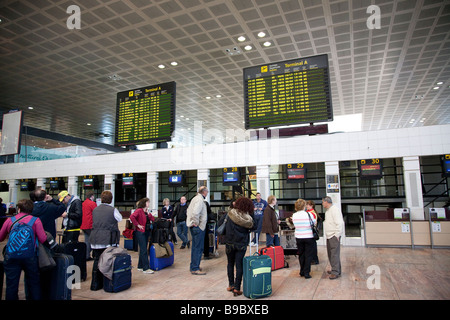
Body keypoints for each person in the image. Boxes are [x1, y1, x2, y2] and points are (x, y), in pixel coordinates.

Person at [0, 199, 47, 300]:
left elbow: (0, 237)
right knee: (33, 283)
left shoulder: (10, 220)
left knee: (11, 285)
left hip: (12, 256)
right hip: (30, 256)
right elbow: (43, 239)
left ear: (19, 208)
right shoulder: (35, 220)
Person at [89, 190, 122, 290]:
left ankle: (95, 285)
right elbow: (119, 218)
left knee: (97, 261)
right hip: (108, 239)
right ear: (111, 199)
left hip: (95, 238)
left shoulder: (95, 209)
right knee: (107, 262)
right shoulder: (113, 210)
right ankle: (106, 284)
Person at [222, 197, 255, 296]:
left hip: (229, 243)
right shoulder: (248, 217)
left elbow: (220, 224)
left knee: (230, 264)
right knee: (239, 265)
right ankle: (237, 288)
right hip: (241, 244)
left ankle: (231, 285)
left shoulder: (229, 214)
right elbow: (255, 226)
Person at [186, 186, 209, 275]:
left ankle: (193, 266)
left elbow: (188, 211)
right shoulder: (199, 200)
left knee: (195, 247)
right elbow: (195, 213)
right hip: (198, 227)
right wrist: (196, 223)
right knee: (198, 248)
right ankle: (195, 268)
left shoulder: (194, 199)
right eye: (207, 191)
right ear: (204, 192)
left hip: (194, 226)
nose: (207, 193)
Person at [292, 199, 316, 279]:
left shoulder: (294, 215)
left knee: (301, 254)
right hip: (308, 236)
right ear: (304, 206)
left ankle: (301, 271)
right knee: (308, 255)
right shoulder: (309, 214)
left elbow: (294, 225)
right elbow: (314, 222)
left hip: (299, 236)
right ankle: (306, 273)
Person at [130, 197, 154, 274]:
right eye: (147, 202)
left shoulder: (146, 211)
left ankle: (140, 266)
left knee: (143, 249)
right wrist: (138, 225)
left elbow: (152, 219)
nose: (148, 204)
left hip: (146, 231)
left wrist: (150, 214)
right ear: (144, 203)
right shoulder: (139, 211)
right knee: (143, 249)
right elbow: (132, 217)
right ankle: (146, 268)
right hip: (140, 232)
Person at [322, 196, 344, 280]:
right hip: (329, 235)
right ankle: (336, 270)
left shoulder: (334, 210)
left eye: (323, 202)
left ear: (327, 202)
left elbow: (340, 223)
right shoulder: (328, 211)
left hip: (333, 236)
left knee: (334, 254)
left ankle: (335, 272)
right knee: (331, 254)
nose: (322, 203)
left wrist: (337, 235)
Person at [81, 191, 97, 260]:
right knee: (93, 241)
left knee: (87, 240)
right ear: (92, 196)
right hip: (90, 225)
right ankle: (92, 254)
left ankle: (86, 255)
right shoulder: (92, 203)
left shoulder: (83, 203)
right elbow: (96, 213)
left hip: (83, 225)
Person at [306, 200, 320, 264]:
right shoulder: (312, 212)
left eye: (308, 205)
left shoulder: (311, 213)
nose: (306, 206)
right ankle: (314, 259)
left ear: (312, 206)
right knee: (312, 246)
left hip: (310, 231)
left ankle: (314, 259)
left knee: (312, 246)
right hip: (311, 231)